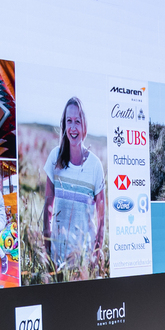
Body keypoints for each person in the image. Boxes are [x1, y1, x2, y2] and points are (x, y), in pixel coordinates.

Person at [42, 97, 105, 275]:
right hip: (57, 259)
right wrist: (47, 248)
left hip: (84, 261)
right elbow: (47, 207)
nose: (73, 127)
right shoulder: (55, 158)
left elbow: (102, 219)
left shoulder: (95, 166)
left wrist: (95, 256)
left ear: (84, 125)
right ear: (64, 125)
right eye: (69, 121)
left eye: (77, 121)